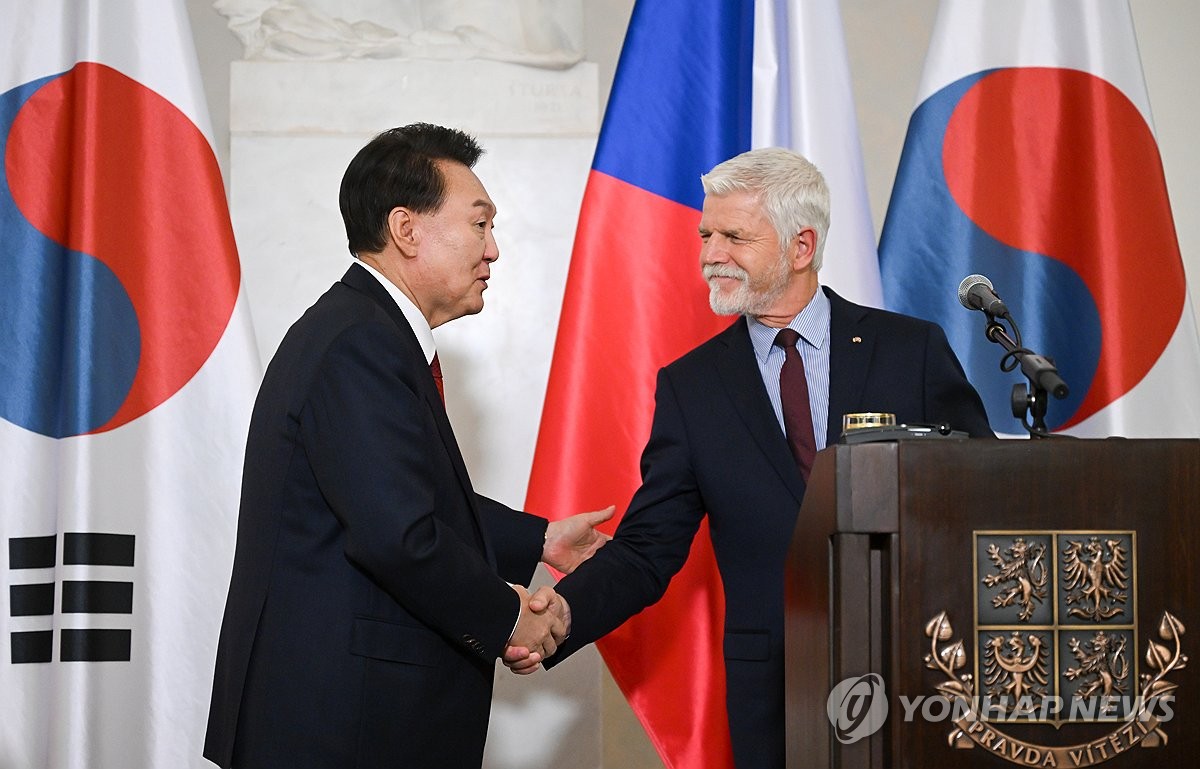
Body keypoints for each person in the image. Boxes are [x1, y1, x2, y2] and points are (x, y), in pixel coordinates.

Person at [506, 147, 993, 767]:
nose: (710, 255)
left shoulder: (910, 351)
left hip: (925, 673)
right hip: (777, 695)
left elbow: (985, 499)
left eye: (734, 236)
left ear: (800, 246)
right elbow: (649, 547)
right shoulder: (694, 386)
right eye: (706, 235)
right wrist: (564, 616)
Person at [204, 123, 610, 769]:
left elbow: (396, 498)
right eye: (479, 224)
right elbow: (398, 534)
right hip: (342, 724)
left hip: (350, 715)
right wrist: (509, 614)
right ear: (407, 229)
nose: (494, 249)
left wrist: (539, 540)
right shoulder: (359, 344)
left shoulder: (365, 331)